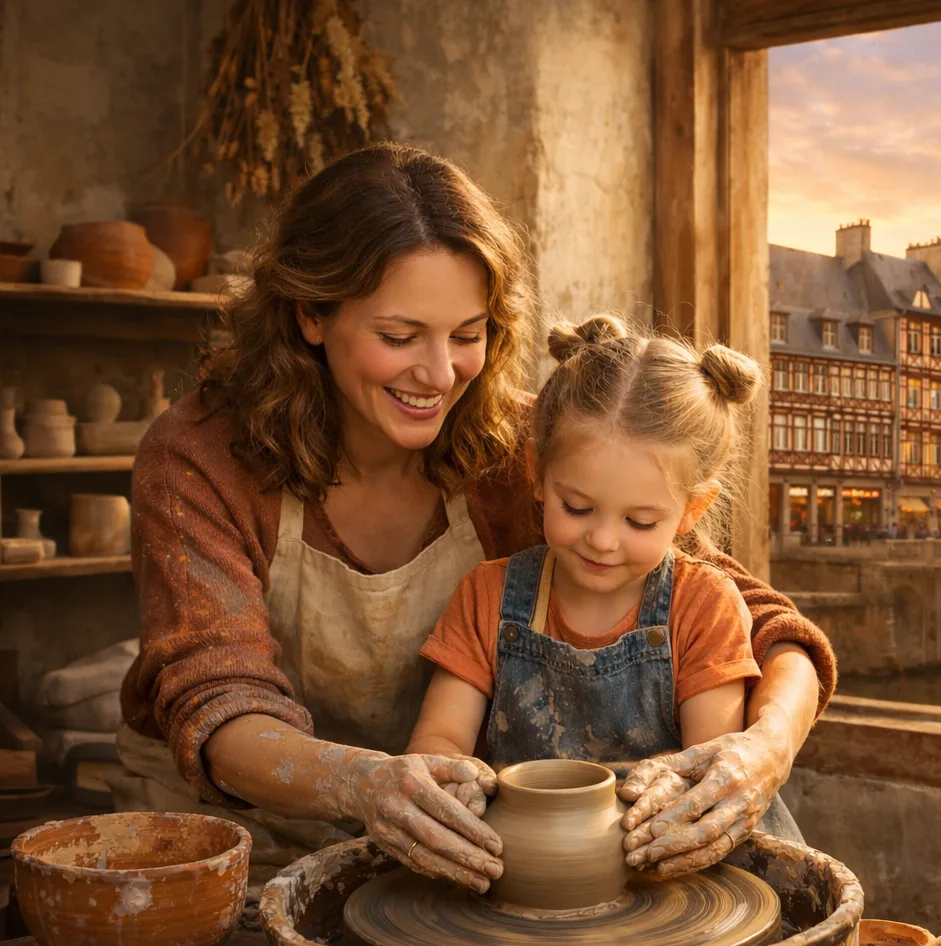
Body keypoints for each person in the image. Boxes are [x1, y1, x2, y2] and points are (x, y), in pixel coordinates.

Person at [114, 145, 834, 892]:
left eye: (467, 334)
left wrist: (765, 750)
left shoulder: (526, 446)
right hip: (236, 832)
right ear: (310, 315)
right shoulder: (201, 458)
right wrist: (363, 783)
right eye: (399, 337)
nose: (439, 374)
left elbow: (755, 619)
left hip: (447, 831)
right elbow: (218, 697)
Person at [407, 316, 801, 857]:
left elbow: (709, 770)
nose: (602, 540)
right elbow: (438, 741)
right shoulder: (487, 595)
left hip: (669, 849)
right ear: (536, 471)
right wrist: (451, 780)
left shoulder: (704, 605)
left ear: (692, 510)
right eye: (576, 507)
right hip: (531, 858)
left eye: (640, 522)